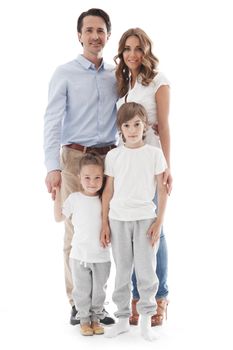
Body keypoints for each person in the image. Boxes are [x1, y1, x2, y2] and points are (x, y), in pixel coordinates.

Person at [43, 8, 117, 325]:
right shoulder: (65, 73)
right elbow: (52, 121)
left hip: (110, 158)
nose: (94, 36)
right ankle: (77, 303)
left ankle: (100, 303)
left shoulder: (117, 74)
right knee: (75, 231)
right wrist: (52, 167)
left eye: (100, 30)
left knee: (108, 229)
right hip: (75, 159)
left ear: (108, 35)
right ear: (79, 35)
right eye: (89, 30)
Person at [114, 27, 172, 326]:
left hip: (150, 166)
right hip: (125, 168)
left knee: (153, 233)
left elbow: (164, 126)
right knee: (130, 234)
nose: (132, 54)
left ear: (146, 51)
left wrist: (166, 169)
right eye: (127, 48)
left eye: (138, 48)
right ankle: (137, 298)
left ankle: (159, 297)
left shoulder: (158, 82)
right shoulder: (123, 84)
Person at [101, 102, 168, 341]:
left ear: (145, 125)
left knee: (146, 270)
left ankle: (146, 322)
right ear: (120, 128)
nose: (132, 130)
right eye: (127, 125)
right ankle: (121, 320)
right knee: (122, 271)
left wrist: (159, 221)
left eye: (137, 124)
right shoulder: (113, 155)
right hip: (118, 219)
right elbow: (108, 191)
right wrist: (104, 223)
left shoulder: (154, 154)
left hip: (145, 219)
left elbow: (162, 190)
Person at [53, 152, 111, 336]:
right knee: (82, 290)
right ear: (79, 177)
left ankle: (96, 319)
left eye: (97, 178)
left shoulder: (105, 200)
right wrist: (56, 197)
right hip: (79, 256)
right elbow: (58, 218)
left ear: (103, 178)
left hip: (101, 255)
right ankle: (84, 320)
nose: (92, 182)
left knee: (99, 290)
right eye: (87, 177)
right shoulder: (75, 199)